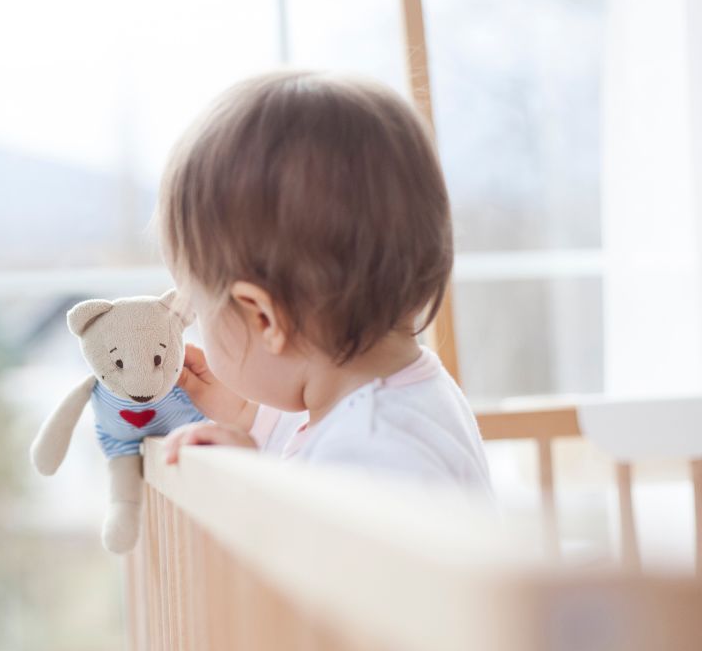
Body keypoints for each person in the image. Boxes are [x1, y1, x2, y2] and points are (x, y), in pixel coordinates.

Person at [157, 70, 491, 493]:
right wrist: (250, 418)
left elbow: (328, 555)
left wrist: (256, 499)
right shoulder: (390, 398)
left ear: (264, 318)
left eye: (199, 309)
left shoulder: (374, 452)